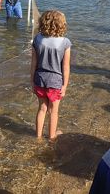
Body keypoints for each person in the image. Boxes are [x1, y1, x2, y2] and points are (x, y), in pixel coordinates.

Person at [30, 10, 71, 140]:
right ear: (61, 25)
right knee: (54, 111)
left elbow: (33, 63)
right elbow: (66, 67)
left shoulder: (37, 39)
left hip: (40, 79)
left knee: (42, 108)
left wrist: (32, 81)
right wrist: (64, 85)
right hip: (55, 81)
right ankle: (52, 136)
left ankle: (38, 136)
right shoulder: (65, 43)